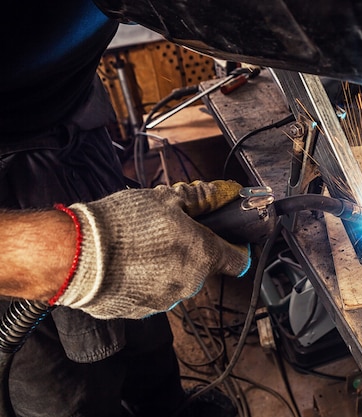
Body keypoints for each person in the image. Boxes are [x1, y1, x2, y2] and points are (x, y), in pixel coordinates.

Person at [0, 1, 249, 416]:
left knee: (147, 332)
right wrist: (63, 252)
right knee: (63, 394)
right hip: (11, 213)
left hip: (79, 129)